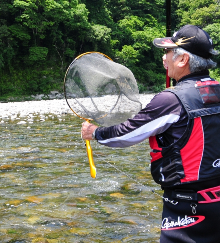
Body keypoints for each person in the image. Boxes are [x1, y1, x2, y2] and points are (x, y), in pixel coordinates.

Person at [81, 24, 220, 243]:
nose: (164, 59)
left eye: (168, 52)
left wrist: (95, 132)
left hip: (188, 207)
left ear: (183, 60)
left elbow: (125, 134)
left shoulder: (171, 99)